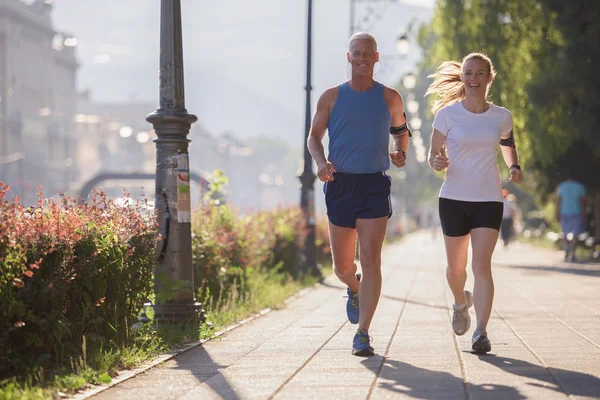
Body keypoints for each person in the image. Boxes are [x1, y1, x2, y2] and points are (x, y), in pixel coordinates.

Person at [307, 32, 410, 357]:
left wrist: (400, 152)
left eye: (368, 53)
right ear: (348, 57)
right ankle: (354, 287)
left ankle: (363, 333)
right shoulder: (331, 97)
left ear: (376, 58)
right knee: (342, 267)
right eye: (356, 53)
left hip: (374, 185)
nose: (362, 58)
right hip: (340, 183)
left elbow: (401, 133)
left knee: (371, 258)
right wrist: (321, 163)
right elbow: (314, 137)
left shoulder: (390, 97)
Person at [425, 53, 524, 354]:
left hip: (488, 199)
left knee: (481, 265)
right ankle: (460, 302)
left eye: (480, 73)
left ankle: (480, 331)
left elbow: (507, 142)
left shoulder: (501, 116)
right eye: (468, 73)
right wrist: (437, 160)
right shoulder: (447, 115)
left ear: (489, 78)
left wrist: (514, 167)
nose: (473, 79)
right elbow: (433, 154)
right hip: (453, 198)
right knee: (456, 271)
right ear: (463, 77)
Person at [556, 171, 586, 262]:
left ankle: (566, 250)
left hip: (564, 212)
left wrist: (557, 212)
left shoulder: (561, 186)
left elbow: (559, 201)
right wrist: (584, 214)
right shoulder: (580, 187)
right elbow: (582, 202)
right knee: (575, 234)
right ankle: (572, 253)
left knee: (565, 233)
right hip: (576, 212)